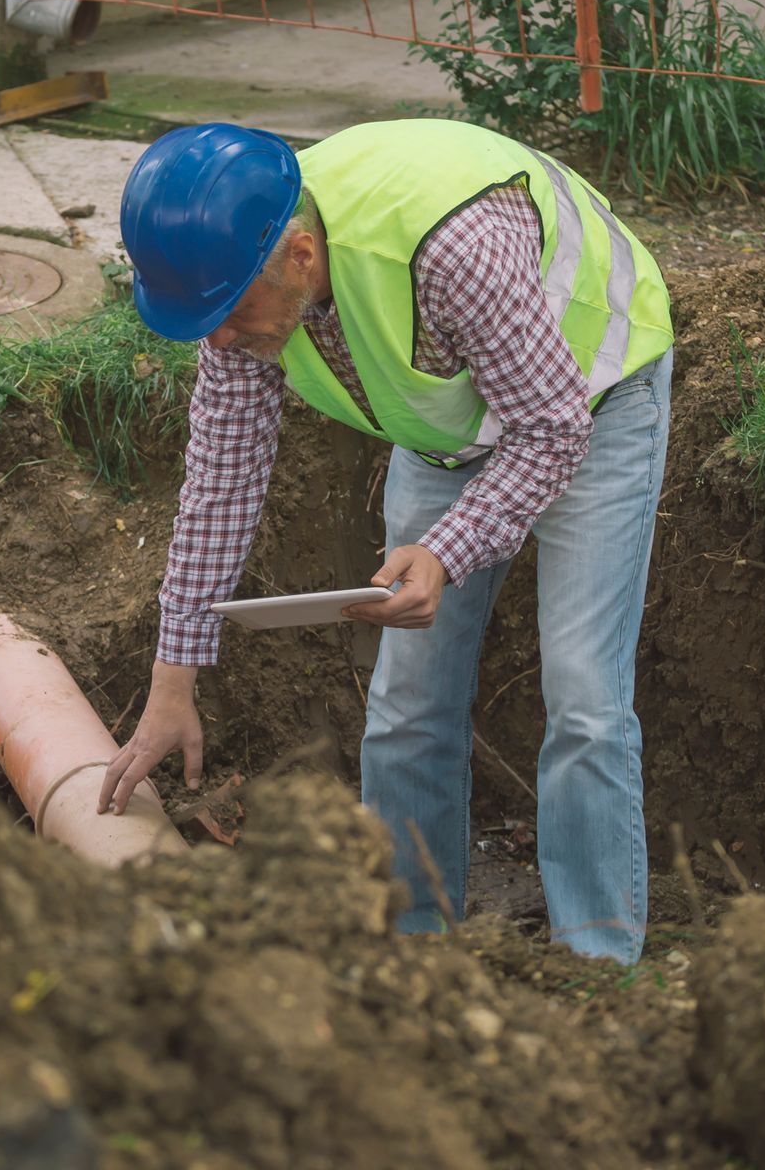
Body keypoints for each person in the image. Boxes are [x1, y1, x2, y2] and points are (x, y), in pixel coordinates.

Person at [94, 118, 674, 964]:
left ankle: (596, 965)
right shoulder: (240, 297)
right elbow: (220, 481)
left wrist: (447, 549)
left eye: (227, 315)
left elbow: (550, 429)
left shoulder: (448, 251)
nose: (217, 340)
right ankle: (414, 951)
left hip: (592, 395)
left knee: (583, 692)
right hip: (452, 427)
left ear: (299, 255)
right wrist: (171, 681)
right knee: (408, 700)